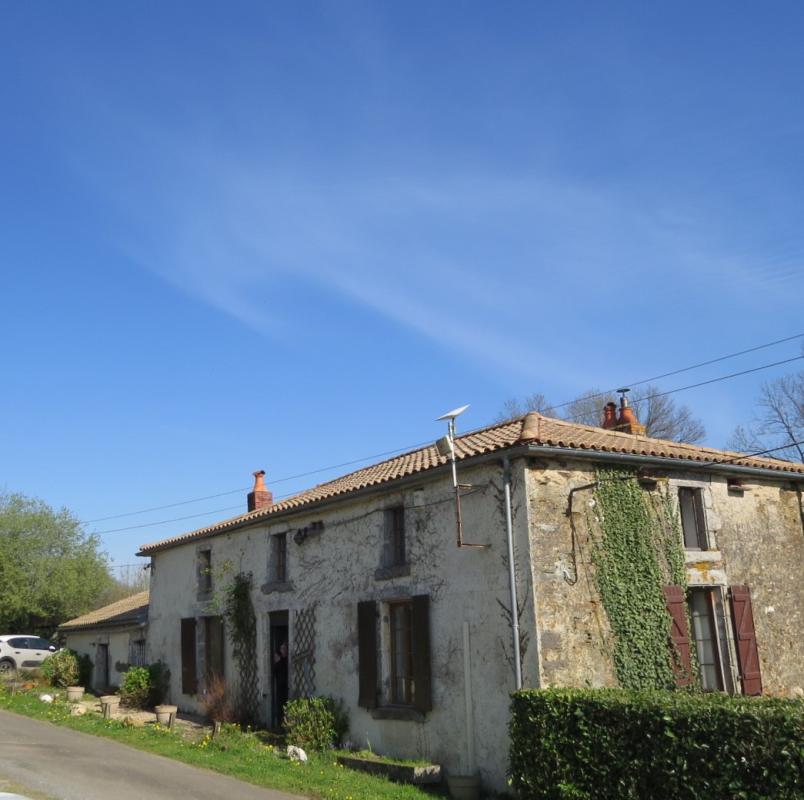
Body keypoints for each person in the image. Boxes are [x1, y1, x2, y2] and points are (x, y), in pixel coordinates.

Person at [272, 640, 288, 726]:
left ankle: (286, 723)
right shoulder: (279, 661)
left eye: (284, 648)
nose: (282, 650)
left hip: (287, 686)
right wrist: (276, 662)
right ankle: (280, 723)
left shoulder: (287, 661)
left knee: (286, 705)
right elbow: (274, 672)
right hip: (280, 686)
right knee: (280, 705)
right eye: (281, 648)